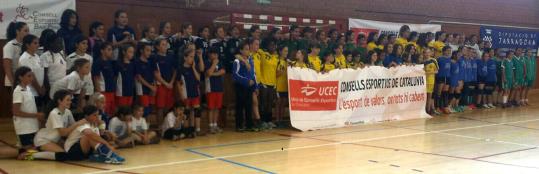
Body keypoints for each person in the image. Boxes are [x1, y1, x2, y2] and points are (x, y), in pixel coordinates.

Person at [30, 90, 86, 161]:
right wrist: (78, 123)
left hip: (55, 140)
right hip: (43, 140)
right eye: (68, 100)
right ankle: (33, 154)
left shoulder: (68, 112)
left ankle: (40, 150)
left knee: (69, 153)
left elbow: (73, 128)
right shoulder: (54, 113)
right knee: (62, 154)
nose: (70, 102)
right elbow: (63, 133)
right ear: (59, 101)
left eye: (70, 100)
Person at [12, 66, 45, 149]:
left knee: (35, 149)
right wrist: (36, 115)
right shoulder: (18, 91)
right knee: (29, 153)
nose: (32, 78)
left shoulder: (28, 89)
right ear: (20, 77)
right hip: (24, 128)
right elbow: (16, 112)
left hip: (32, 126)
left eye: (32, 76)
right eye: (29, 76)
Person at [177, 48, 202, 137]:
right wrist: (181, 94)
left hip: (195, 92)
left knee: (197, 110)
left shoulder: (193, 68)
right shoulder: (181, 69)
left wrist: (193, 68)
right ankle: (187, 130)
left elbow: (198, 79)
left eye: (193, 57)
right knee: (187, 111)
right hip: (186, 94)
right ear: (185, 57)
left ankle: (197, 129)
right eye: (191, 57)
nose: (192, 59)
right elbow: (178, 83)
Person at [233, 41, 256, 132]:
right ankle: (239, 125)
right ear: (241, 51)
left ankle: (249, 125)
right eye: (246, 49)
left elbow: (253, 74)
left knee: (248, 105)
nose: (248, 51)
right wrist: (246, 81)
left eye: (248, 49)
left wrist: (256, 86)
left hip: (249, 87)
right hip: (240, 86)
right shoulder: (237, 61)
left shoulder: (250, 60)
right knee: (240, 106)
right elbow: (235, 75)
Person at [18, 34, 47, 110]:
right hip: (31, 91)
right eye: (35, 43)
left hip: (39, 90)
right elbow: (30, 76)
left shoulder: (37, 56)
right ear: (27, 45)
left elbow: (41, 73)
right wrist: (39, 89)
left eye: (38, 43)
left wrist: (43, 86)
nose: (38, 45)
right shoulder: (24, 58)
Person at [153, 38, 177, 125]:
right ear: (157, 47)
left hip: (170, 85)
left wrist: (171, 82)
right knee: (160, 107)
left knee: (168, 106)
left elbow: (175, 70)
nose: (165, 46)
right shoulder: (155, 57)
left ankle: (167, 126)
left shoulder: (170, 56)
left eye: (166, 44)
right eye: (163, 44)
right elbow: (155, 73)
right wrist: (165, 83)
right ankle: (160, 127)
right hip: (161, 85)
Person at [92, 42, 117, 115]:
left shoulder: (110, 62)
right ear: (102, 51)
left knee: (111, 111)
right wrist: (99, 94)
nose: (111, 52)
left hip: (111, 90)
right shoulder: (98, 62)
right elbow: (96, 78)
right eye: (109, 50)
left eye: (111, 50)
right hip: (103, 91)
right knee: (103, 112)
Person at [205, 47, 225, 133]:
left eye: (217, 54)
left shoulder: (219, 62)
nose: (216, 55)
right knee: (211, 108)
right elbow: (208, 73)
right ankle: (210, 126)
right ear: (209, 54)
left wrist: (213, 74)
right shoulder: (207, 62)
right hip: (211, 88)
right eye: (214, 54)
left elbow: (223, 71)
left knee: (217, 108)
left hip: (219, 88)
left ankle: (215, 125)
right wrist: (214, 64)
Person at [3, 22, 29, 90]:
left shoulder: (25, 45)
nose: (28, 33)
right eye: (25, 31)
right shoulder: (10, 45)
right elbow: (7, 67)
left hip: (23, 81)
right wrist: (13, 83)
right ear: (17, 31)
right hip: (13, 81)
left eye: (28, 31)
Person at [134, 43, 156, 117]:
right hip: (142, 89)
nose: (149, 52)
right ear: (141, 50)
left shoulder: (150, 62)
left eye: (150, 51)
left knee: (149, 110)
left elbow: (153, 75)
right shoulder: (137, 62)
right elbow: (139, 77)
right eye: (147, 50)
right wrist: (150, 87)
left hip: (150, 88)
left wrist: (154, 87)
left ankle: (147, 126)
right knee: (144, 110)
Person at [435, 46, 452, 114]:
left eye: (450, 51)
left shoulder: (449, 59)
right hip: (440, 77)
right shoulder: (439, 59)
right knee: (438, 93)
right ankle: (437, 107)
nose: (449, 52)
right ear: (444, 51)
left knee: (445, 92)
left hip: (447, 77)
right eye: (447, 50)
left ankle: (445, 107)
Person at [276, 46, 290, 128]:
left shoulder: (287, 61)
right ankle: (277, 120)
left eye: (287, 51)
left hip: (285, 86)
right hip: (278, 86)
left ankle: (281, 120)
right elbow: (276, 74)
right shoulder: (278, 61)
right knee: (278, 104)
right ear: (280, 51)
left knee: (283, 104)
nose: (286, 53)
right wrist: (285, 69)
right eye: (284, 51)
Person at [423, 48, 439, 115]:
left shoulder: (433, 60)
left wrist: (431, 72)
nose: (427, 54)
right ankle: (424, 110)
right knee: (424, 97)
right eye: (426, 53)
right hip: (423, 82)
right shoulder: (422, 61)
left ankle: (428, 110)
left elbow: (437, 70)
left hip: (431, 81)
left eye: (428, 52)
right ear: (423, 54)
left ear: (430, 53)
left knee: (429, 96)